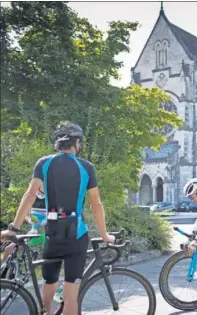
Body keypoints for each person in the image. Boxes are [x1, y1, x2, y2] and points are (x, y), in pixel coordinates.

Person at [0, 121, 115, 315]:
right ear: (77, 143)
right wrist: (105, 235)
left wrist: (13, 228)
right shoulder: (86, 167)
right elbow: (96, 205)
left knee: (50, 282)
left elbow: (29, 196)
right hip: (76, 235)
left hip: (53, 235)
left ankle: (44, 312)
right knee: (71, 294)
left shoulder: (44, 163)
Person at [1, 184, 47, 278]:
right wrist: (29, 219)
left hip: (45, 232)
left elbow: (59, 213)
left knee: (13, 248)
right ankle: (4, 272)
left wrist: (44, 224)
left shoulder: (51, 196)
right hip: (33, 231)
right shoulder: (32, 195)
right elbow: (25, 214)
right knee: (8, 248)